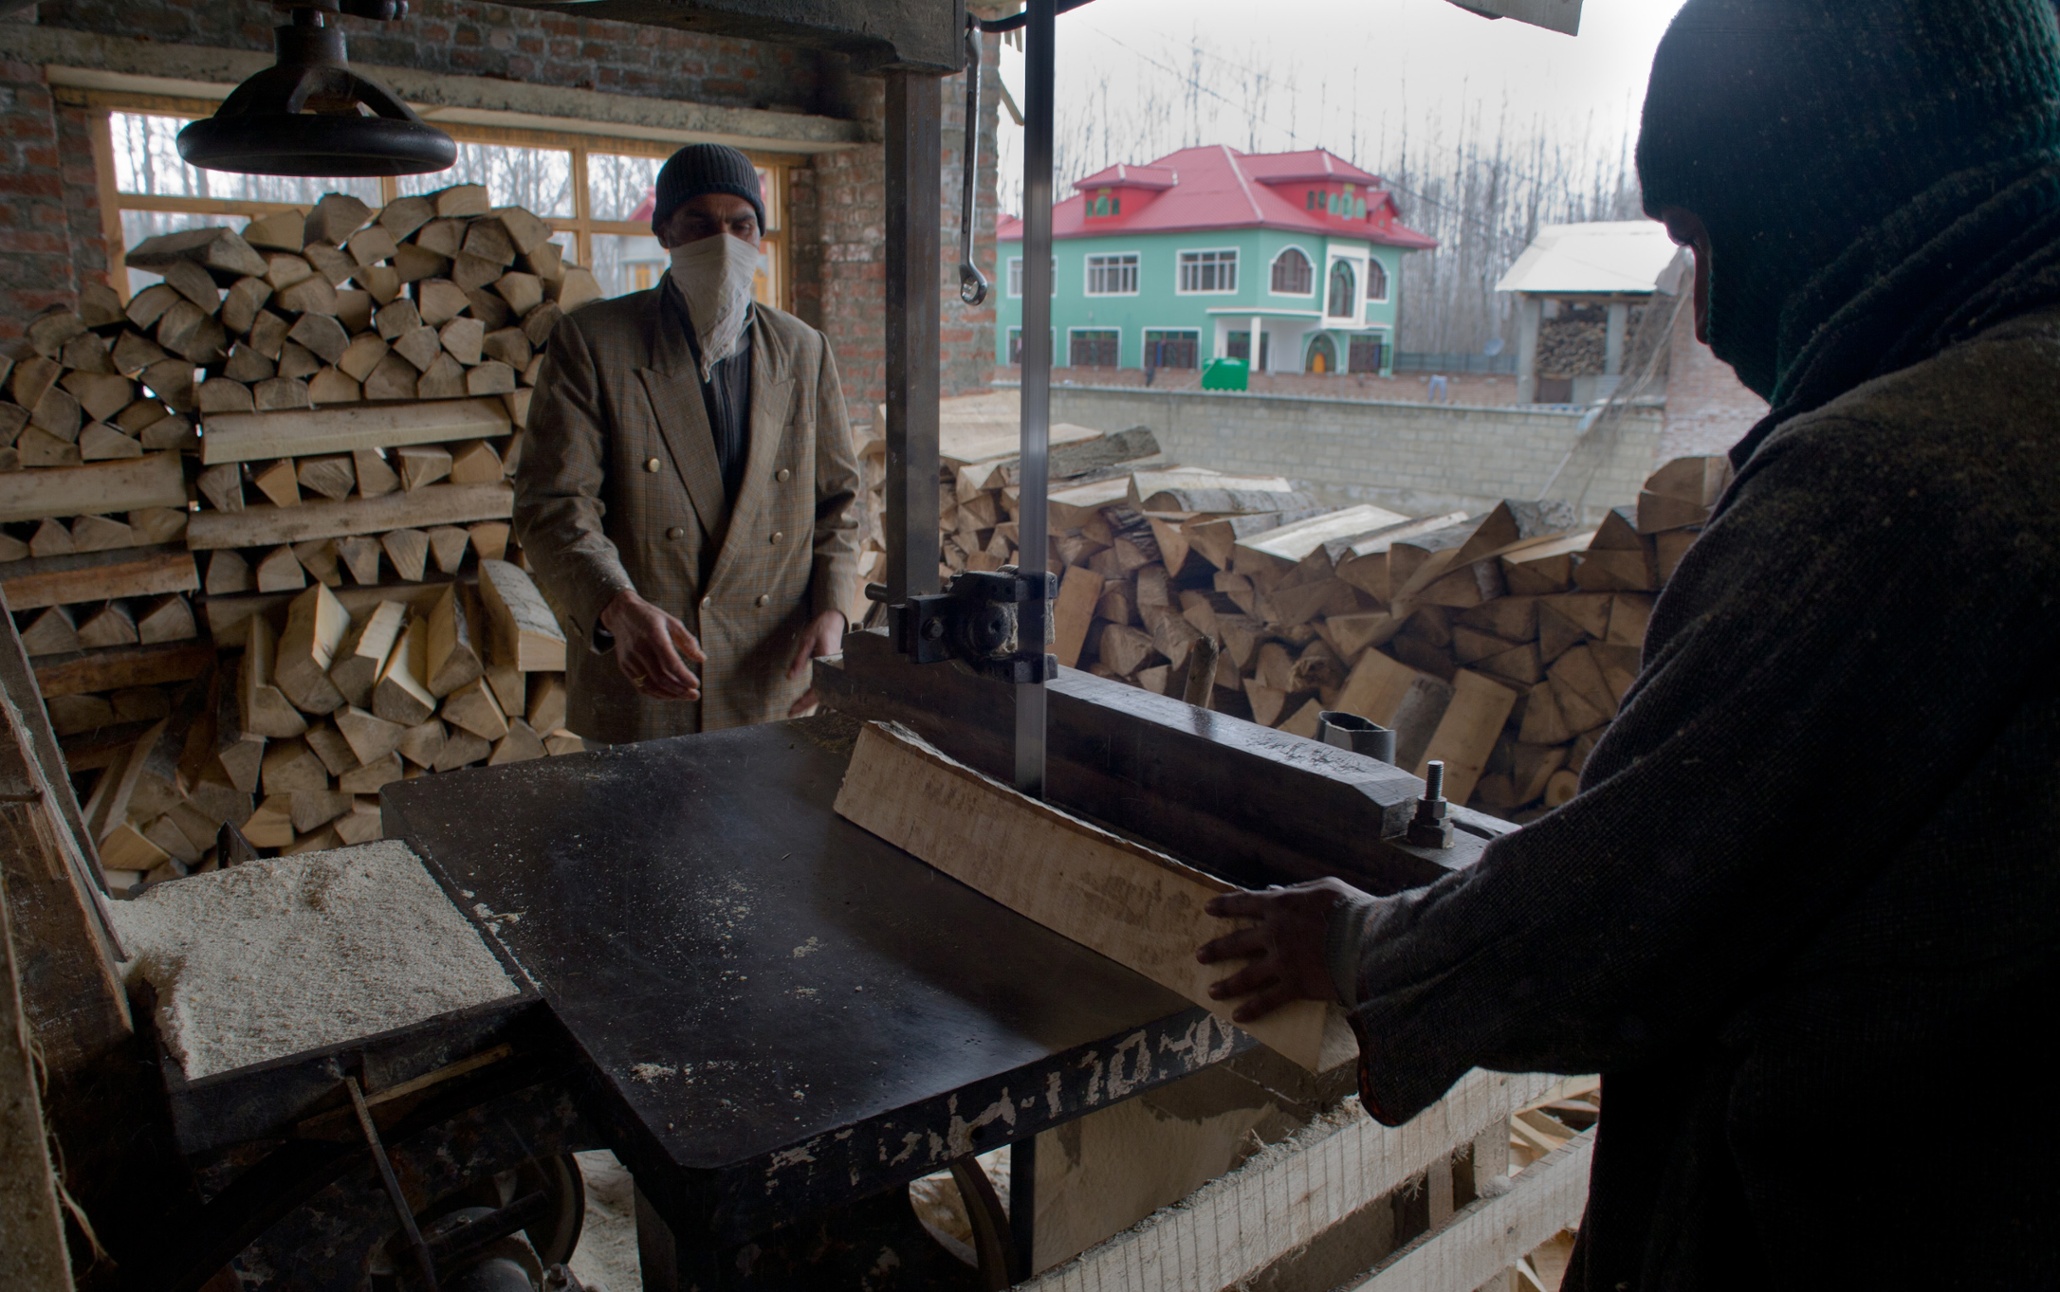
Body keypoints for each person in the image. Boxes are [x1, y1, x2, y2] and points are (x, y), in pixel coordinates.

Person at [1196, 2, 2060, 1287]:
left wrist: (1362, 946)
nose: (1705, 318)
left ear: (1825, 191)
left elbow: (1616, 907)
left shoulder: (1891, 492)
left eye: (1700, 239)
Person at [515, 144, 862, 743]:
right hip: (647, 675)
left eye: (741, 224)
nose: (723, 241)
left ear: (759, 234)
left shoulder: (804, 350)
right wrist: (616, 608)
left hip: (770, 677)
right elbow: (554, 505)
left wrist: (834, 609)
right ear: (664, 231)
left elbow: (841, 501)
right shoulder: (595, 343)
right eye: (700, 223)